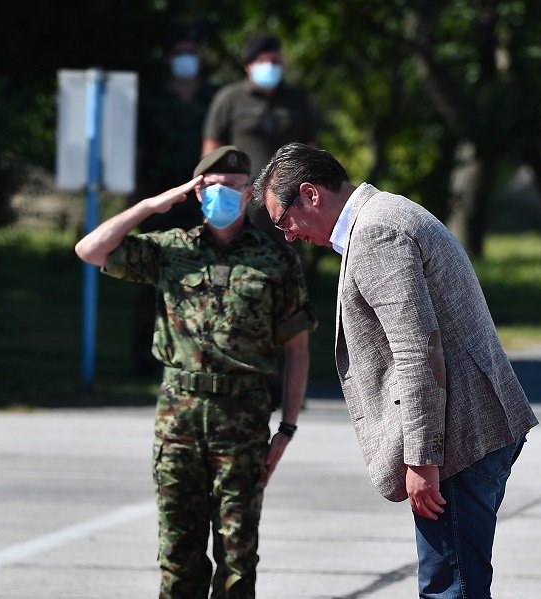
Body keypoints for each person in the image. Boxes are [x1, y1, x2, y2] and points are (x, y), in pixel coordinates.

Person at [252, 142, 539, 598]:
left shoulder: (376, 232)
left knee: (450, 588)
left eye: (283, 221)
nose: (288, 235)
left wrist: (423, 458)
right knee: (457, 582)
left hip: (456, 443)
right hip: (472, 430)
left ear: (310, 194)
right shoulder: (386, 214)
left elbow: (417, 350)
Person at [75, 146, 317, 598]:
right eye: (210, 187)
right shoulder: (172, 251)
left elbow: (298, 346)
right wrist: (152, 206)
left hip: (242, 422)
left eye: (232, 187)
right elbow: (90, 250)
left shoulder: (275, 259)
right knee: (178, 556)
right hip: (179, 422)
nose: (221, 195)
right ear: (196, 191)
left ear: (249, 194)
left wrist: (287, 426)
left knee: (238, 560)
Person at [129, 24, 220, 375]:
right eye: (180, 52)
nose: (188, 59)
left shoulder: (214, 97)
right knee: (153, 274)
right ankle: (145, 360)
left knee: (206, 276)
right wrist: (137, 200)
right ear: (169, 58)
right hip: (158, 198)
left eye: (193, 52)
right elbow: (137, 150)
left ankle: (199, 355)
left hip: (204, 200)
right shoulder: (152, 98)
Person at [202, 33, 318, 240]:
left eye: (274, 61)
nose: (269, 66)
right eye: (262, 61)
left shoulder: (297, 100)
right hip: (241, 198)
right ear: (248, 66)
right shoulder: (229, 98)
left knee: (288, 255)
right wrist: (214, 193)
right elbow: (211, 151)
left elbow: (311, 147)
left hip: (289, 198)